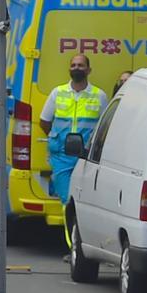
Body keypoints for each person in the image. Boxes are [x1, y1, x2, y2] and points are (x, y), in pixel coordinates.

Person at [39, 54, 109, 204]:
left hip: (86, 156)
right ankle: (69, 228)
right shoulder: (57, 93)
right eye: (73, 65)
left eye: (80, 65)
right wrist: (56, 139)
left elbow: (105, 128)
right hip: (61, 156)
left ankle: (76, 227)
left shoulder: (99, 96)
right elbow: (44, 121)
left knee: (85, 201)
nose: (76, 68)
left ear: (89, 70)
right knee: (67, 200)